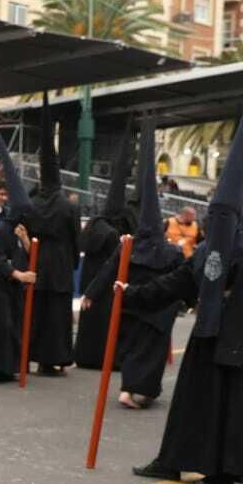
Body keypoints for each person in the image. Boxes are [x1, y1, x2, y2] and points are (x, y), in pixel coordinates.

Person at [128, 74, 243, 484]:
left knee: (228, 408)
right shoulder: (209, 250)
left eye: (223, 216)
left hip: (236, 344)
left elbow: (242, 304)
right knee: (192, 404)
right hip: (208, 337)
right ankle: (173, 461)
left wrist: (229, 341)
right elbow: (179, 283)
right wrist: (130, 294)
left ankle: (223, 469)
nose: (215, 222)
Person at [80, 124, 184, 409]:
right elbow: (182, 280)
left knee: (133, 351)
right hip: (158, 311)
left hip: (131, 306)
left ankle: (128, 388)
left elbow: (107, 272)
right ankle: (138, 392)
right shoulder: (171, 252)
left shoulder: (129, 246)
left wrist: (90, 294)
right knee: (149, 354)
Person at [19, 94, 79, 376]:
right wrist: (72, 261)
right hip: (60, 264)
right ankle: (51, 360)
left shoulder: (31, 203)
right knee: (56, 317)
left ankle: (27, 356)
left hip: (36, 260)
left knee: (34, 313)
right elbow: (75, 237)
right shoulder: (68, 206)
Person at [74, 132, 135, 370]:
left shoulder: (94, 225)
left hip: (91, 278)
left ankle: (87, 356)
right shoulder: (112, 232)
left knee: (92, 322)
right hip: (106, 281)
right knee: (106, 320)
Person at [0, 136, 35, 386]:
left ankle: (5, 368)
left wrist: (25, 242)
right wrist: (18, 275)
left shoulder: (18, 231)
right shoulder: (1, 230)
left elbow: (26, 255)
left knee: (13, 328)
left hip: (13, 289)